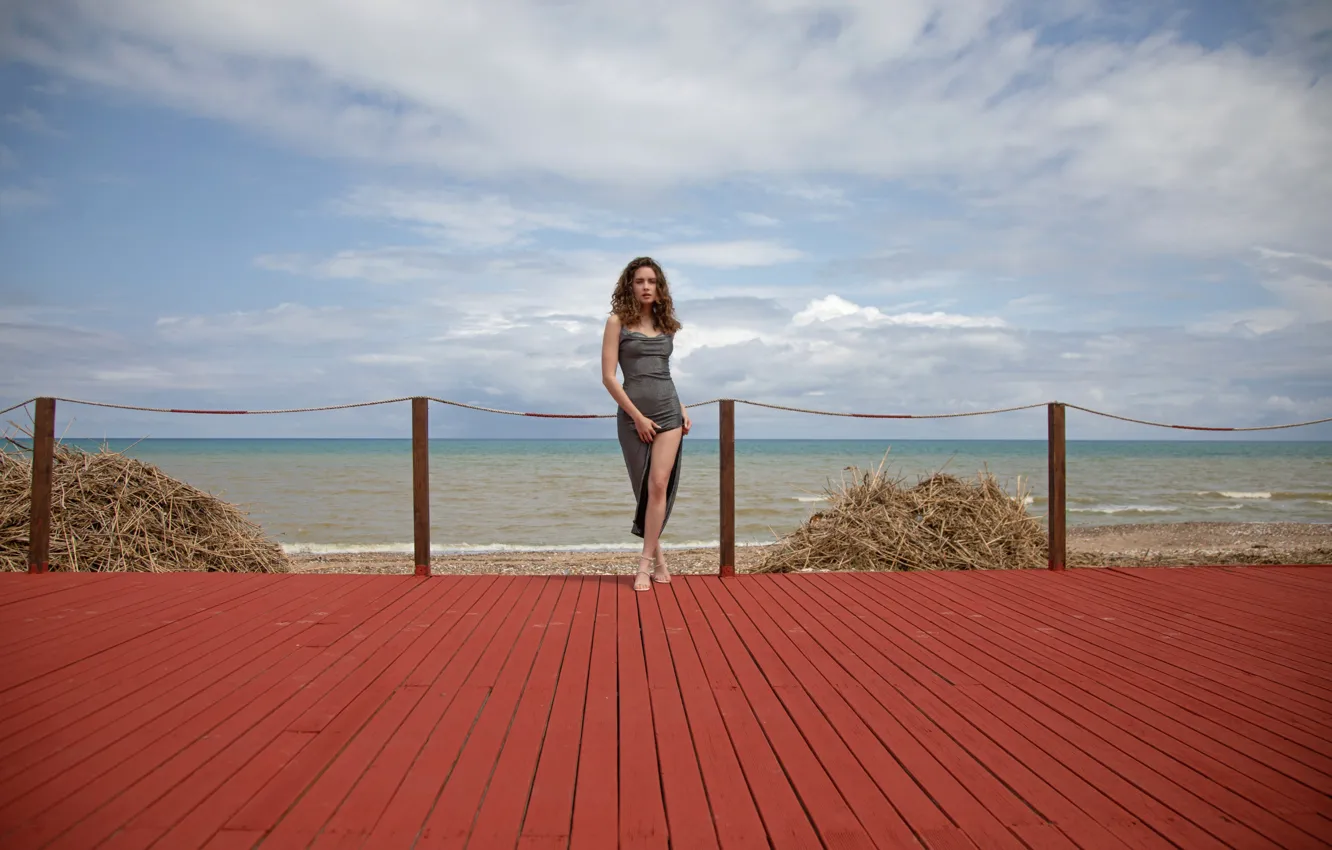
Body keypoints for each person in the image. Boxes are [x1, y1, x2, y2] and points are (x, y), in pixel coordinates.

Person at [601, 256, 691, 591]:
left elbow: (663, 374)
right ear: (630, 285)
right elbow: (609, 378)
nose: (646, 287)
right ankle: (660, 561)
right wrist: (637, 417)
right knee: (644, 491)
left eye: (652, 282)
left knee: (658, 486)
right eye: (640, 281)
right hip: (632, 417)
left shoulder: (667, 324)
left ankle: (642, 565)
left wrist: (680, 406)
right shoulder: (617, 323)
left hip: (669, 412)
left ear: (660, 286)